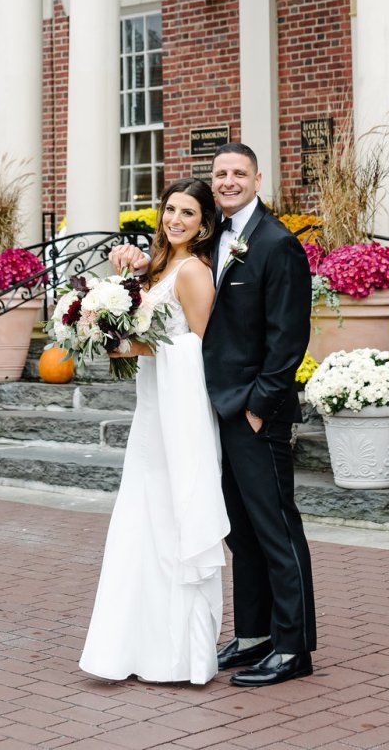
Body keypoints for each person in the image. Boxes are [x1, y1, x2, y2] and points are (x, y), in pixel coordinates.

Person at [112, 143, 315, 687]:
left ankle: (293, 647)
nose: (227, 181)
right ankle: (254, 636)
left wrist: (259, 408)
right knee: (239, 531)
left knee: (276, 529)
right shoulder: (216, 239)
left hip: (252, 411)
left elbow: (288, 338)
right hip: (209, 407)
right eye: (220, 173)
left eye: (238, 173)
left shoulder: (278, 244)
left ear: (257, 177)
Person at [80, 178, 229, 686]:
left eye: (188, 213)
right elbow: (144, 323)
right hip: (151, 410)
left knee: (171, 521)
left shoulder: (192, 272)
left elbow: (207, 350)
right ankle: (134, 646)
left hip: (179, 416)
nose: (176, 220)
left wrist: (138, 348)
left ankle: (179, 655)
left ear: (204, 224)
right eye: (170, 210)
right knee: (142, 520)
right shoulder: (160, 266)